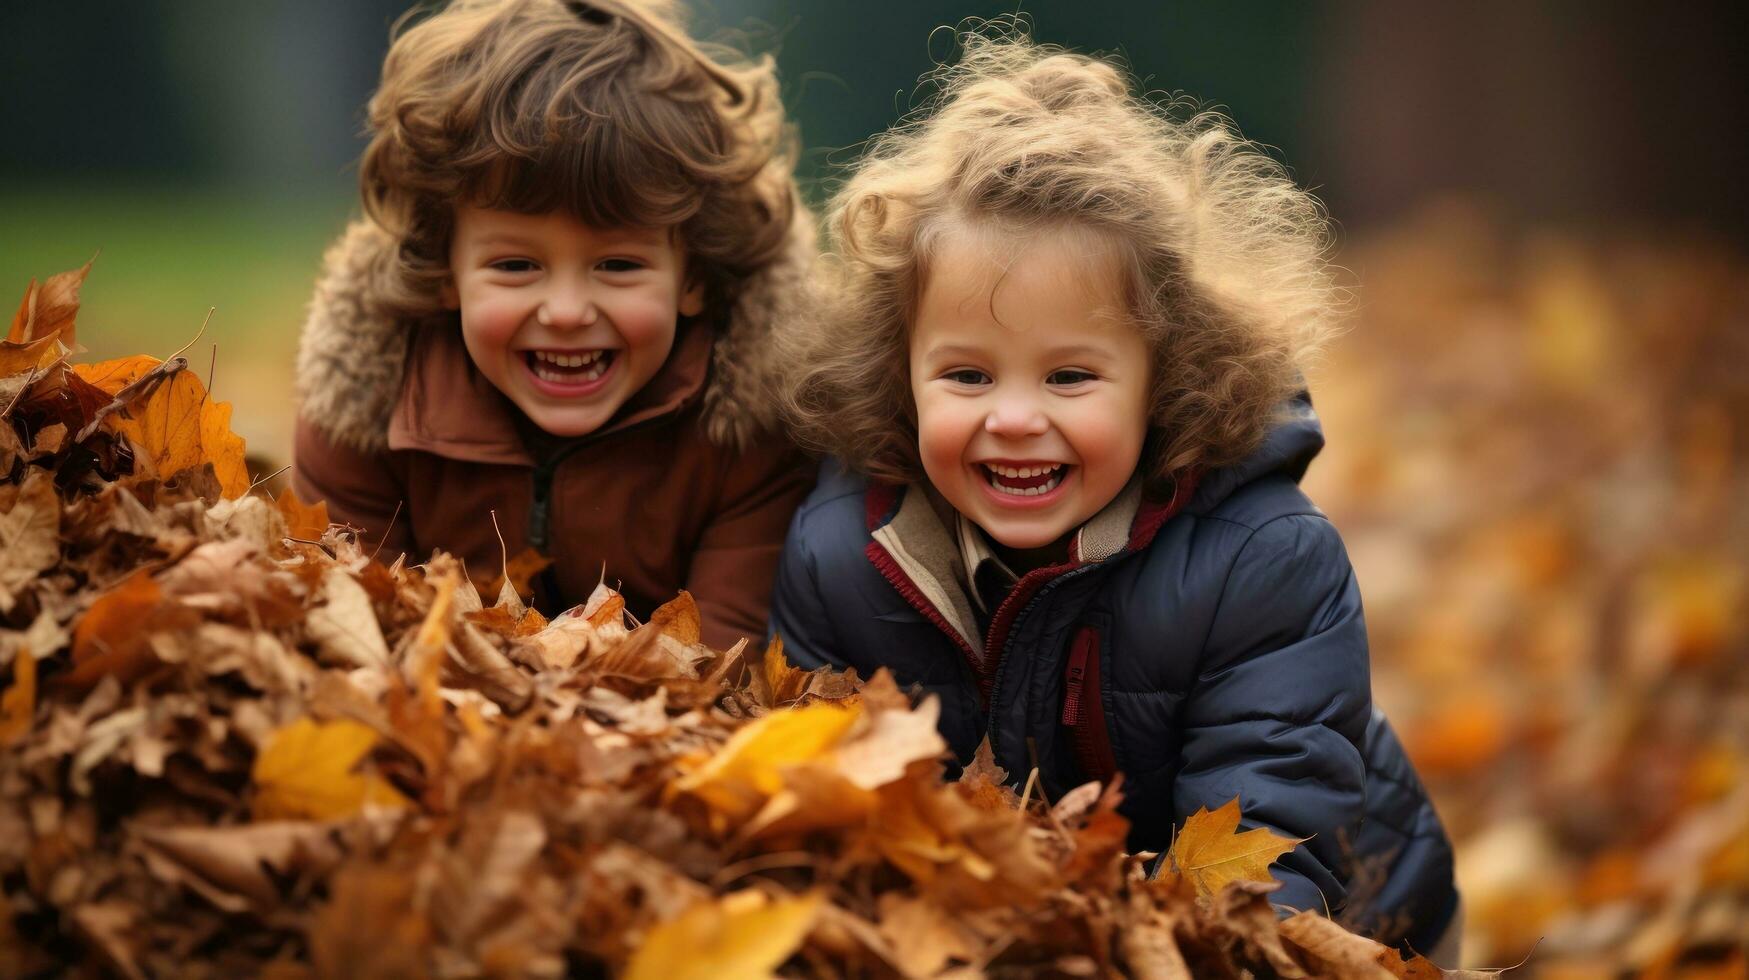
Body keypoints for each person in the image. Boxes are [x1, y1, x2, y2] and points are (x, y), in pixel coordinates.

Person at [770, 28, 1461, 960]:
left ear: (1163, 380)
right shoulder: (839, 552)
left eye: (1068, 378)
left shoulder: (1261, 560)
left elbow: (1275, 833)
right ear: (899, 375)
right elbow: (827, 802)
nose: (1014, 418)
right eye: (967, 377)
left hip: (1361, 922)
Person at [292, 0, 815, 649]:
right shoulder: (369, 407)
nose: (566, 312)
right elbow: (351, 640)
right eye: (515, 265)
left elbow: (716, 663)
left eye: (618, 265)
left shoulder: (752, 428)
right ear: (444, 272)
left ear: (694, 278)